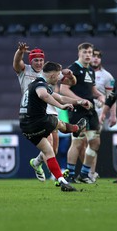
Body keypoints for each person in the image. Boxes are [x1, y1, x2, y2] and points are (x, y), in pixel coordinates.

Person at [19, 61, 90, 192]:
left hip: (25, 126)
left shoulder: (36, 84)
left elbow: (61, 98)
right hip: (37, 121)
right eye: (58, 76)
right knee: (54, 121)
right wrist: (61, 107)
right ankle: (75, 129)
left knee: (49, 152)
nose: (59, 79)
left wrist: (79, 101)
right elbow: (43, 95)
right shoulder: (40, 84)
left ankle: (61, 181)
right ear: (52, 76)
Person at [13, 42, 78, 183]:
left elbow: (71, 83)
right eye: (36, 60)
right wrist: (19, 52)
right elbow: (17, 63)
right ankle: (57, 177)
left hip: (51, 110)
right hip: (35, 112)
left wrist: (70, 76)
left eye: (41, 60)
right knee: (48, 145)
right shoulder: (25, 70)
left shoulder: (48, 73)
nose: (39, 62)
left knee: (53, 148)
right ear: (31, 60)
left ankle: (37, 163)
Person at [59, 42, 106, 184]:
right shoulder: (73, 69)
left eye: (90, 53)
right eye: (85, 52)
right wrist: (81, 101)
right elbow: (63, 89)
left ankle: (84, 174)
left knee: (95, 142)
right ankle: (70, 175)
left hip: (90, 111)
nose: (88, 55)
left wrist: (100, 96)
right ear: (79, 53)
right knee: (78, 143)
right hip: (77, 110)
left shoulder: (90, 71)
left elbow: (91, 90)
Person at [88, 48, 117, 181]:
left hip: (98, 111)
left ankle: (91, 172)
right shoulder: (83, 72)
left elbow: (111, 98)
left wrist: (113, 115)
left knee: (92, 142)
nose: (95, 59)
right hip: (82, 110)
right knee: (81, 143)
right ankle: (85, 171)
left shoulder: (107, 76)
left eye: (98, 57)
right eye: (93, 56)